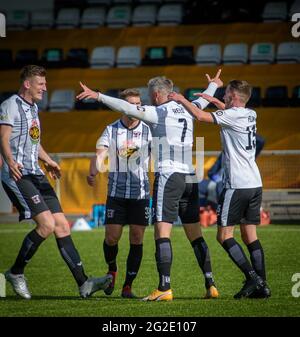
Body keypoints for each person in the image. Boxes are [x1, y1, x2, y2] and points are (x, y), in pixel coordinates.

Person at [77, 70, 223, 301]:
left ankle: (164, 287)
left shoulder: (157, 112)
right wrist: (214, 85)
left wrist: (98, 95)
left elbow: (125, 108)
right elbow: (204, 98)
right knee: (195, 233)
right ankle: (210, 284)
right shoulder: (189, 105)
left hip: (170, 176)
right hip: (190, 178)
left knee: (161, 233)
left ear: (155, 95)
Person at [0, 65, 112, 300]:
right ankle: (16, 272)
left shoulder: (34, 108)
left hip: (36, 172)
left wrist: (49, 161)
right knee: (47, 225)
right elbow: (3, 137)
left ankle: (84, 283)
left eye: (45, 83)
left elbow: (33, 141)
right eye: (40, 84)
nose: (45, 88)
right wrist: (9, 161)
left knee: (62, 225)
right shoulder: (10, 105)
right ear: (27, 84)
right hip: (19, 173)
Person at [168, 80, 271, 299]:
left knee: (224, 236)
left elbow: (200, 117)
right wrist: (215, 101)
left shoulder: (232, 115)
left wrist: (182, 99)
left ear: (234, 97)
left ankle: (253, 278)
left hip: (237, 185)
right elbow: (231, 113)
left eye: (226, 94)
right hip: (254, 183)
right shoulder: (250, 114)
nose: (223, 96)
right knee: (250, 235)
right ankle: (263, 286)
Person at [87, 88, 152, 299]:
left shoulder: (149, 130)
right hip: (116, 194)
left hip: (141, 194)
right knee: (112, 237)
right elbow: (101, 152)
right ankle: (112, 270)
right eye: (130, 104)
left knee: (136, 237)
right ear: (122, 106)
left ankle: (127, 286)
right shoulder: (111, 129)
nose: (135, 108)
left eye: (138, 104)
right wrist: (94, 171)